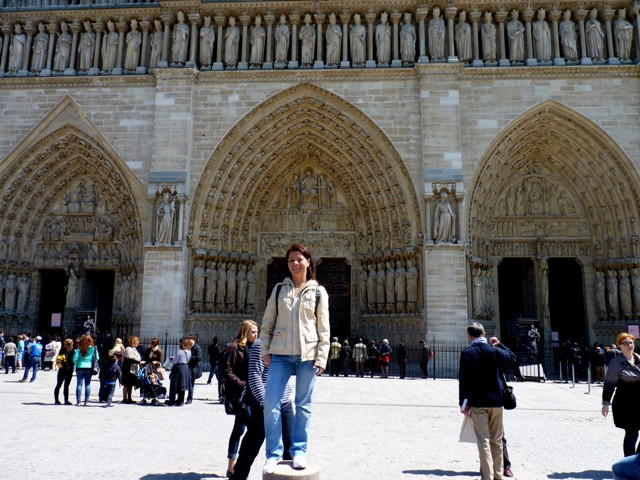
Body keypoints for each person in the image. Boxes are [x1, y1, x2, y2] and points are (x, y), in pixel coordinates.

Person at [260, 243, 330, 473]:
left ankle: (299, 451)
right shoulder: (279, 289)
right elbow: (268, 321)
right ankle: (273, 453)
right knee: (271, 402)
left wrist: (322, 357)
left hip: (307, 356)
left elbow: (324, 328)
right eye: (291, 260)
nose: (295, 263)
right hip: (280, 354)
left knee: (303, 405)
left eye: (300, 259)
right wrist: (265, 349)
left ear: (309, 261)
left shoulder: (319, 292)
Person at [229, 337, 294, 480]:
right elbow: (254, 377)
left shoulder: (286, 342)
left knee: (291, 445)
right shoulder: (261, 344)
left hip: (284, 402)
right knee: (252, 443)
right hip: (264, 403)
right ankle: (238, 476)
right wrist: (267, 403)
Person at [459, 322, 516, 480]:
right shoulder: (495, 350)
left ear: (470, 337)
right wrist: (500, 344)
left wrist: (463, 404)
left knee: (483, 441)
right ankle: (498, 476)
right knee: (497, 441)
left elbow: (464, 382)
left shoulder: (468, 353)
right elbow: (512, 358)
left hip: (478, 403)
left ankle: (487, 477)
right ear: (483, 334)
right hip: (496, 402)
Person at [223, 320, 258, 477]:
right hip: (241, 395)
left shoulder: (254, 348)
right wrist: (242, 384)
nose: (256, 334)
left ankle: (232, 466)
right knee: (253, 430)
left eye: (257, 331)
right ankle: (239, 466)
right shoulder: (234, 348)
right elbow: (225, 371)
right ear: (244, 332)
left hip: (252, 395)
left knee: (239, 429)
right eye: (252, 332)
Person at [602, 332, 640, 457]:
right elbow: (609, 384)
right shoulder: (616, 362)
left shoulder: (639, 359)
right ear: (619, 346)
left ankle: (636, 461)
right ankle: (628, 463)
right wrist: (606, 403)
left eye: (631, 343)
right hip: (625, 404)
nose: (629, 345)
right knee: (632, 433)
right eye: (626, 343)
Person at [73, 334, 99, 406]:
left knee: (79, 384)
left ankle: (78, 401)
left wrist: (77, 363)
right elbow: (97, 357)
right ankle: (86, 401)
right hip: (89, 367)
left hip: (80, 367)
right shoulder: (93, 349)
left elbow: (75, 359)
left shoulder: (79, 349)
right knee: (87, 384)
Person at [167, 337, 192, 407]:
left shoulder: (179, 352)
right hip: (186, 368)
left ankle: (171, 401)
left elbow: (174, 361)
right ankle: (180, 401)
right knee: (182, 385)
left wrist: (170, 359)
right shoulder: (189, 351)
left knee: (174, 385)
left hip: (178, 368)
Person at [122, 336, 144, 404]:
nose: (138, 343)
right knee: (126, 384)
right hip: (128, 369)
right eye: (137, 341)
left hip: (134, 369)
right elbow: (130, 359)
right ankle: (124, 398)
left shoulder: (134, 349)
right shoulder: (128, 349)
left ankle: (129, 398)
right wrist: (139, 362)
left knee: (130, 384)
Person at [54, 338, 74, 405]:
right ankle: (66, 400)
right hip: (69, 370)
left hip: (61, 370)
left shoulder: (61, 350)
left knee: (58, 385)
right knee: (66, 386)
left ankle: (56, 400)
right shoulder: (72, 351)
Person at [187, 334, 202, 403]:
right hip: (188, 367)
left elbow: (199, 357)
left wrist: (190, 356)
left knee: (191, 383)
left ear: (193, 339)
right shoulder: (188, 347)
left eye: (189, 339)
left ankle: (190, 398)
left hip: (194, 368)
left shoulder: (197, 348)